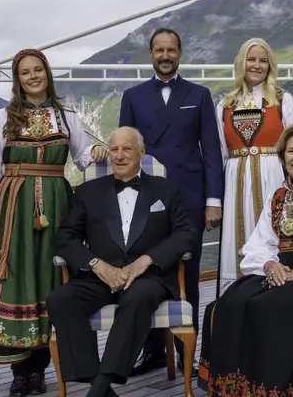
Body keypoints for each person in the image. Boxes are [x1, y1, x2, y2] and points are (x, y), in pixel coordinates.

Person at [0, 48, 108, 397]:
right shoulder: (3, 117)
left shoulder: (67, 115)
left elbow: (83, 157)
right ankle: (19, 371)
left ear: (47, 73)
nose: (32, 76)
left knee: (51, 282)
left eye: (38, 70)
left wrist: (99, 153)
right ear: (18, 79)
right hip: (13, 210)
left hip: (58, 208)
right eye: (25, 72)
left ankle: (41, 368)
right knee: (18, 282)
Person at [197, 122, 293, 396]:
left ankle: (273, 388)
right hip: (280, 268)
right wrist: (270, 265)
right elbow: (260, 243)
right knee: (226, 304)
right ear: (282, 157)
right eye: (290, 151)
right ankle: (238, 386)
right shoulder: (276, 196)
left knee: (269, 307)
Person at [47, 127, 196, 397]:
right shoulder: (87, 191)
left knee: (137, 299)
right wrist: (96, 265)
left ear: (141, 152)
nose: (119, 155)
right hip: (100, 277)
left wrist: (148, 260)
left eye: (127, 149)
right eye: (114, 149)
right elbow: (66, 237)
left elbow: (186, 233)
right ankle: (101, 388)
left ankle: (99, 388)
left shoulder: (165, 189)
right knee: (60, 299)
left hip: (148, 277)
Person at [118, 27, 224, 374]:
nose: (166, 56)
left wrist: (213, 201)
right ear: (151, 54)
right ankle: (152, 352)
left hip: (189, 198)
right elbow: (124, 151)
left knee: (187, 274)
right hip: (144, 198)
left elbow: (210, 150)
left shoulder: (200, 94)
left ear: (180, 54)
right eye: (159, 50)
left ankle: (185, 353)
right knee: (144, 274)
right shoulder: (132, 97)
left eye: (172, 50)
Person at [215, 38, 293, 294]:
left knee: (274, 235)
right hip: (236, 181)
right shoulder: (225, 105)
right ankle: (236, 300)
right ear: (241, 62)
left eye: (263, 60)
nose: (257, 65)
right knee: (237, 239)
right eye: (251, 59)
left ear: (270, 65)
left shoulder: (282, 100)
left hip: (273, 176)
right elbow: (220, 152)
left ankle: (276, 294)